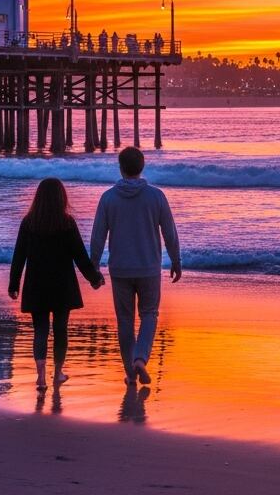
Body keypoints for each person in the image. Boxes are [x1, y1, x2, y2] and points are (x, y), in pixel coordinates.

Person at [90, 147, 182, 386]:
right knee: (149, 314)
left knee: (125, 320)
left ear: (120, 168)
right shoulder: (156, 196)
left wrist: (93, 266)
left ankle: (130, 373)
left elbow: (98, 236)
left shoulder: (108, 197)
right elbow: (170, 233)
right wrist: (176, 260)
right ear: (142, 167)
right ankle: (140, 358)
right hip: (149, 267)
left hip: (120, 268)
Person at [10, 178, 105, 390]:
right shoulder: (66, 223)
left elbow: (19, 256)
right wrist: (94, 278)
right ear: (62, 198)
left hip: (36, 284)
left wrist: (13, 284)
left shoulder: (29, 223)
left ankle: (41, 376)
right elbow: (80, 256)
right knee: (61, 329)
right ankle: (58, 373)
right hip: (62, 285)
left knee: (40, 329)